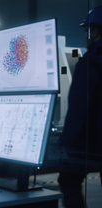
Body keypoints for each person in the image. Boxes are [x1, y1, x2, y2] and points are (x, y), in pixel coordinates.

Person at [57, 5, 102, 208]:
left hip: (88, 143)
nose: (87, 35)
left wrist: (64, 144)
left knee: (68, 182)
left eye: (89, 30)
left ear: (96, 30)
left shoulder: (89, 63)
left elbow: (78, 110)